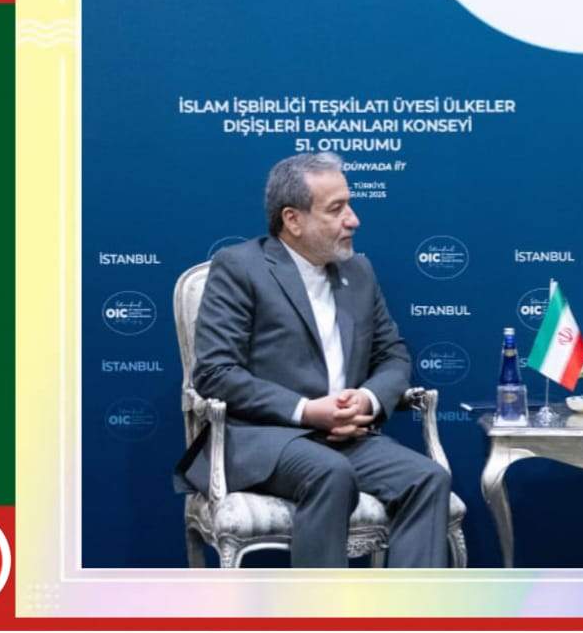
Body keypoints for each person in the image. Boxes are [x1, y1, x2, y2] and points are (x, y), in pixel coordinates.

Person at [175, 153, 450, 567]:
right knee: (329, 472)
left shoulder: (359, 271)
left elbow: (392, 355)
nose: (353, 220)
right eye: (336, 209)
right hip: (264, 439)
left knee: (428, 478)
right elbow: (216, 372)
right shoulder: (240, 267)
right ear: (293, 219)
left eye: (349, 205)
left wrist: (368, 399)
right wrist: (307, 411)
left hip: (346, 438)